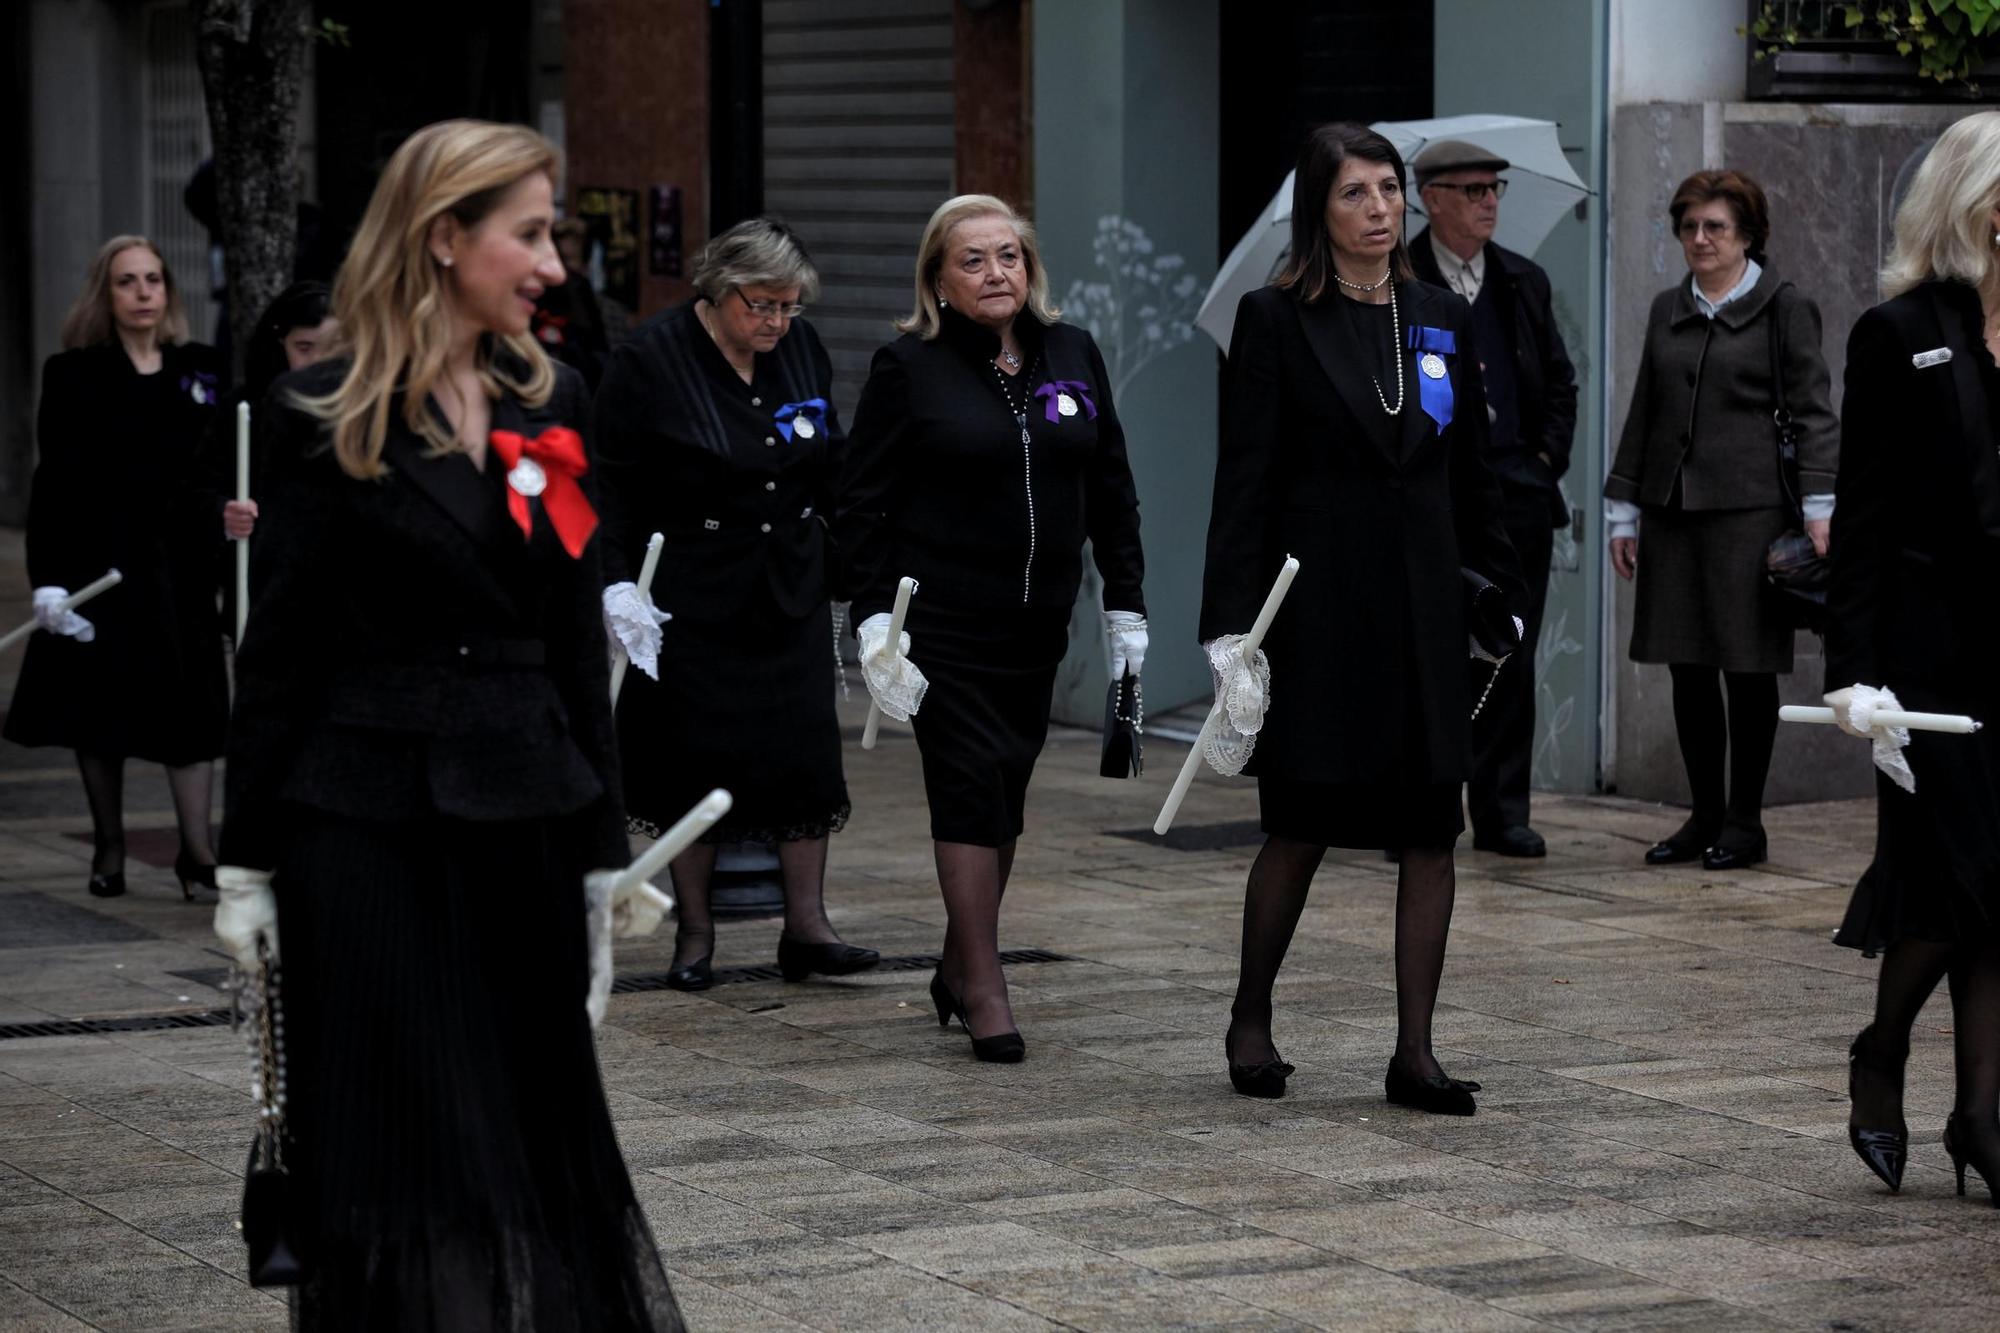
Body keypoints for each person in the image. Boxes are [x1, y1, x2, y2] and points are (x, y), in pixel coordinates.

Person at [215, 120, 684, 1328]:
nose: (550, 263)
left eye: (553, 233)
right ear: (442, 238)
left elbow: (576, 638)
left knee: (532, 1148)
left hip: (524, 826)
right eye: (527, 234)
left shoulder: (554, 396)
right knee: (401, 1156)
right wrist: (244, 860)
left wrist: (602, 849)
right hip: (366, 840)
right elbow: (281, 656)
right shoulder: (323, 411)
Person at [1198, 123, 1521, 1112]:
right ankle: (1250, 1016)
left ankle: (1412, 1052)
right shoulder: (1273, 319)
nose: (1380, 208)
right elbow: (1242, 481)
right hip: (1318, 607)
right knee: (1299, 822)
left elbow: (1468, 470)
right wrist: (1229, 634)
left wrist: (1489, 583)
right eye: (1355, 193)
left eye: (1389, 190)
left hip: (1422, 604)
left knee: (1432, 826)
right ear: (1319, 211)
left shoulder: (1435, 313)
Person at [839, 193, 1147, 1063]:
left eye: (1007, 255)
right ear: (938, 278)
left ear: (1030, 266)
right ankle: (985, 984)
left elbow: (1112, 488)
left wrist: (1126, 602)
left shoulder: (1072, 351)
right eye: (971, 260)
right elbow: (861, 504)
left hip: (1035, 624)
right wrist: (871, 623)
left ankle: (955, 957)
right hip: (943, 621)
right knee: (970, 785)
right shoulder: (910, 367)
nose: (994, 272)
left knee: (1006, 789)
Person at [595, 216, 877, 991]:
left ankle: (808, 926)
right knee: (694, 755)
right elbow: (610, 485)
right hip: (690, 583)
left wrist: (855, 562)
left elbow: (833, 458)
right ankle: (695, 929)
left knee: (803, 751)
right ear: (717, 291)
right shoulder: (649, 359)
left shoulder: (800, 350)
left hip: (787, 575)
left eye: (790, 307)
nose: (778, 322)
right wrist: (616, 584)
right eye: (763, 305)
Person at [1826, 109, 2000, 1205]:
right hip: (1923, 666)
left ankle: (1978, 1116)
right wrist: (1852, 674)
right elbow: (1865, 516)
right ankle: (1880, 1048)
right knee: (1954, 887)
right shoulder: (1896, 334)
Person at [5, 236, 257, 900]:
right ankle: (110, 844)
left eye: (154, 279)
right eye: (127, 281)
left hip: (180, 565)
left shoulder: (199, 368)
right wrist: (49, 579)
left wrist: (227, 514)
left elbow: (219, 465)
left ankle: (197, 851)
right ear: (105, 293)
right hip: (103, 561)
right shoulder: (75, 373)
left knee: (194, 706)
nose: (144, 292)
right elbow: (55, 481)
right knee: (101, 707)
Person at [1604, 169, 1837, 871]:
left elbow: (1815, 411)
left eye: (1716, 227)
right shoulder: (1666, 307)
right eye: (1689, 227)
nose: (1700, 239)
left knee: (1746, 670)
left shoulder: (1784, 307)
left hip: (1751, 514)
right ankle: (1702, 815)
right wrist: (1623, 511)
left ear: (1748, 235)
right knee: (1689, 668)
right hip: (1673, 513)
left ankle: (1745, 822)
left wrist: (1822, 507)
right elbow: (1645, 408)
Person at [1410, 139, 1579, 859]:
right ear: (1432, 197)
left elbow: (1560, 382)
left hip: (1517, 494)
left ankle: (1504, 809)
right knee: (1428, 655)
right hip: (1431, 498)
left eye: (1495, 188)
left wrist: (1544, 461)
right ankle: (1420, 805)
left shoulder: (1523, 281)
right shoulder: (1397, 279)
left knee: (1509, 650)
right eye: (1473, 190)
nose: (1489, 202)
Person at [206, 280, 336, 637]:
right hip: (265, 590)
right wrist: (224, 510)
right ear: (281, 346)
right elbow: (200, 487)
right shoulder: (243, 410)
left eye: (331, 349)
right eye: (304, 348)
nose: (317, 364)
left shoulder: (365, 412)